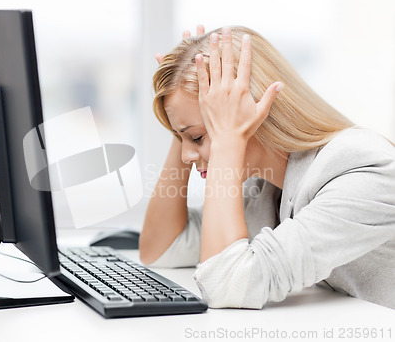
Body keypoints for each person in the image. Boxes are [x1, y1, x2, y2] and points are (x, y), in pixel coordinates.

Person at [139, 25, 395, 309]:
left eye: (198, 137)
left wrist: (224, 138)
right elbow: (161, 248)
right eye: (181, 139)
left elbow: (226, 284)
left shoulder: (359, 166)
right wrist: (185, 117)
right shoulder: (263, 187)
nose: (186, 155)